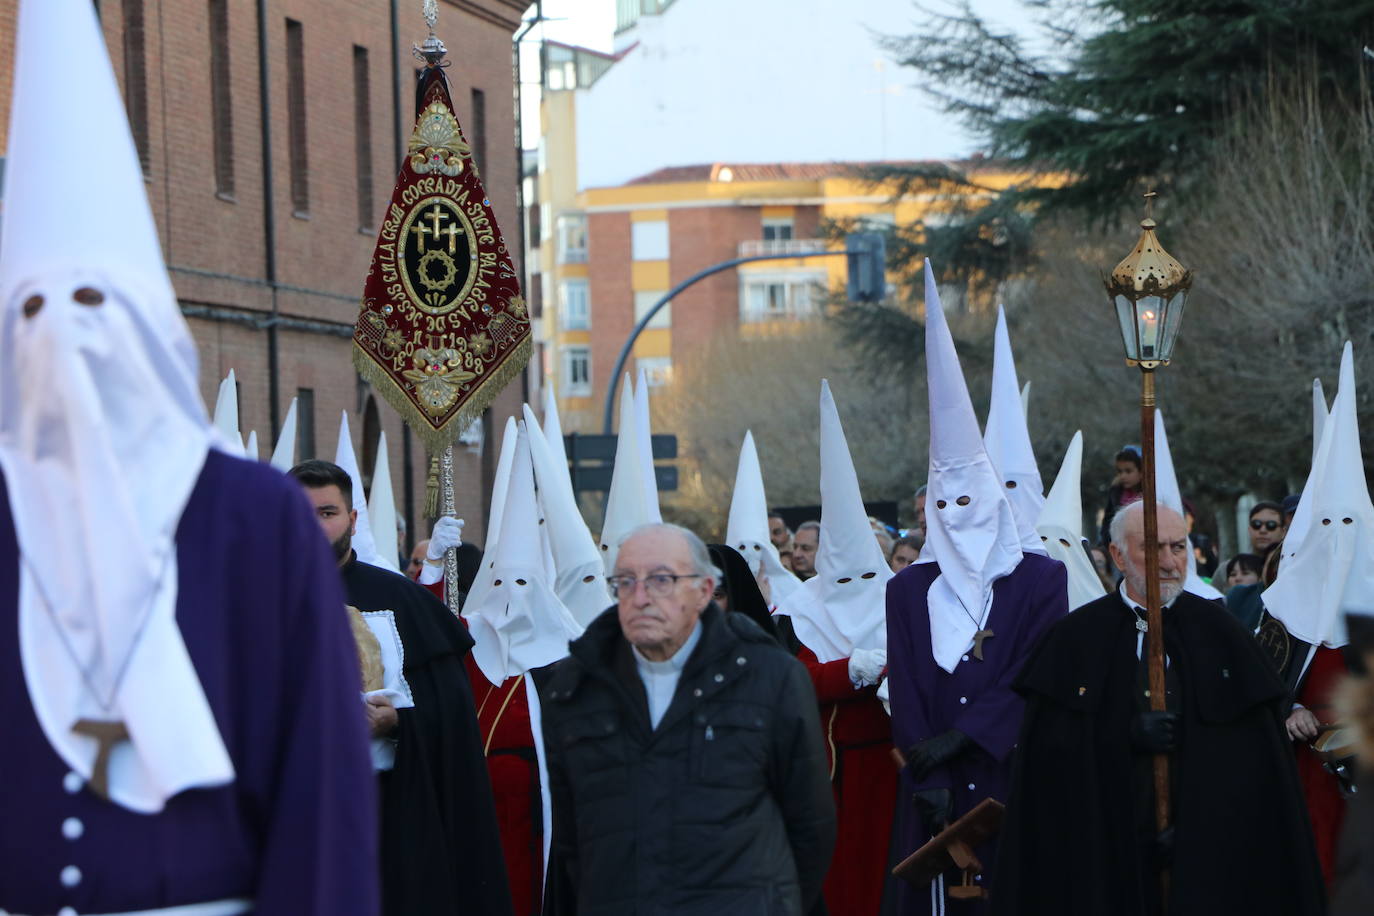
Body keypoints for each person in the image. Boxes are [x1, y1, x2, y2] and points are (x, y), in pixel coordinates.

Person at [0, 1, 380, 912]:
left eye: (92, 301)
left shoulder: (253, 515)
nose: (67, 342)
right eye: (33, 312)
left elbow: (320, 779)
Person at [993, 502, 1325, 915]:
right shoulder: (1075, 639)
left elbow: (1253, 764)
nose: (1169, 562)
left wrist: (1198, 833)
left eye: (1178, 547)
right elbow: (1049, 764)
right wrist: (1121, 734)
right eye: (1153, 548)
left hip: (1209, 862)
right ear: (1117, 555)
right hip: (1105, 855)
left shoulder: (1222, 634)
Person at [885, 266, 1068, 914]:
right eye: (944, 500)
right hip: (932, 784)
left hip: (1008, 772)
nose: (958, 512)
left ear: (994, 499)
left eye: (970, 497)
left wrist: (966, 736)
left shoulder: (1043, 578)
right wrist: (920, 763)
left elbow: (1033, 669)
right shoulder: (908, 589)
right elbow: (906, 681)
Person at [539, 522, 836, 915]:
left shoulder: (770, 678)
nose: (640, 597)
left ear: (704, 591)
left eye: (661, 580)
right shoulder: (575, 688)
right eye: (625, 581)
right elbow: (572, 840)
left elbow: (809, 825)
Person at [290, 459, 514, 916]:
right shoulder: (250, 599)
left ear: (352, 521)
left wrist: (398, 723)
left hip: (389, 812)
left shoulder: (403, 602)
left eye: (327, 513)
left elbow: (451, 717)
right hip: (289, 819)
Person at [774, 380, 897, 916]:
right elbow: (792, 681)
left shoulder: (902, 599)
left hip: (893, 765)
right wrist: (851, 671)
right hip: (823, 770)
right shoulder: (800, 610)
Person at [1098, 445, 1143, 547]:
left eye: (1128, 471)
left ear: (1141, 472)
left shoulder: (1151, 495)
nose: (1123, 476)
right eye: (1120, 471)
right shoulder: (1115, 492)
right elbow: (1107, 523)